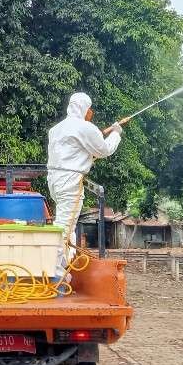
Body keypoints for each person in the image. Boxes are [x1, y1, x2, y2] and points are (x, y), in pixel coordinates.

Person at [47, 92, 122, 272]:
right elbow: (104, 150)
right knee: (64, 227)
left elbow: (78, 149)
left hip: (55, 181)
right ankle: (53, 274)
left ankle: (63, 268)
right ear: (84, 108)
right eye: (90, 109)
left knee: (67, 225)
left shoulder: (57, 128)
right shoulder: (85, 128)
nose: (91, 113)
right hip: (70, 182)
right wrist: (116, 133)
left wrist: (105, 132)